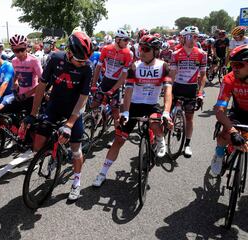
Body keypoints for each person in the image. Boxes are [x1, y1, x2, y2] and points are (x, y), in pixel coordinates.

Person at [20, 31, 93, 201]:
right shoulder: (55, 59)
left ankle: (76, 181)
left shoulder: (87, 68)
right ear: (68, 52)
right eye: (80, 60)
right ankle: (48, 154)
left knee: (76, 150)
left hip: (73, 110)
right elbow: (41, 87)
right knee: (39, 135)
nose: (83, 63)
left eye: (85, 60)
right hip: (54, 106)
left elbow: (83, 99)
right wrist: (33, 114)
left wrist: (69, 124)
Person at [92, 35, 173, 187]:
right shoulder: (135, 67)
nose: (141, 52)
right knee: (118, 140)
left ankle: (160, 139)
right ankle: (102, 173)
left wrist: (167, 112)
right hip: (134, 104)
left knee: (155, 123)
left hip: (151, 105)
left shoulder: (164, 67)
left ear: (155, 51)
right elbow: (128, 91)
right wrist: (126, 112)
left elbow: (168, 92)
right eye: (140, 48)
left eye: (146, 49)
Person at [210, 44, 248, 176]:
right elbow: (220, 109)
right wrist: (232, 131)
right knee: (223, 137)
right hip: (238, 112)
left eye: (239, 65)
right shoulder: (229, 79)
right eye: (232, 65)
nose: (234, 68)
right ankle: (219, 155)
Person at [170, 26, 207, 157]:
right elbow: (172, 73)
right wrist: (169, 90)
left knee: (189, 118)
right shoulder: (175, 54)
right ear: (184, 38)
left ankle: (187, 144)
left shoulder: (202, 54)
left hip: (191, 89)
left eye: (196, 36)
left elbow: (203, 76)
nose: (194, 39)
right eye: (191, 36)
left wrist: (201, 93)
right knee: (168, 115)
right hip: (178, 87)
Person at [91, 28, 133, 132]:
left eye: (128, 40)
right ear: (118, 39)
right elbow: (98, 67)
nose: (128, 42)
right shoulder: (105, 49)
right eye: (126, 40)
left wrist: (113, 89)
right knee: (94, 104)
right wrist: (93, 84)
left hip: (117, 84)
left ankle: (116, 137)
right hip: (105, 81)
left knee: (115, 113)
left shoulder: (128, 53)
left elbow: (124, 76)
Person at [7, 34, 42, 116]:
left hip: (32, 97)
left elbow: (43, 82)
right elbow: (16, 73)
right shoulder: (14, 61)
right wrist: (15, 83)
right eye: (16, 51)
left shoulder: (34, 60)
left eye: (22, 50)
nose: (19, 53)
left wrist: (27, 94)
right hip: (20, 95)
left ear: (26, 47)